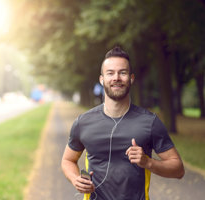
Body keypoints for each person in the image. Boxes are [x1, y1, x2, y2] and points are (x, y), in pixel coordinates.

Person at [61, 46, 185, 200]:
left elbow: (178, 169)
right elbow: (68, 160)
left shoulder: (149, 122)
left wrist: (148, 162)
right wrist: (75, 179)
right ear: (102, 79)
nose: (116, 78)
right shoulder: (83, 122)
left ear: (131, 78)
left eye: (122, 72)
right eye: (110, 73)